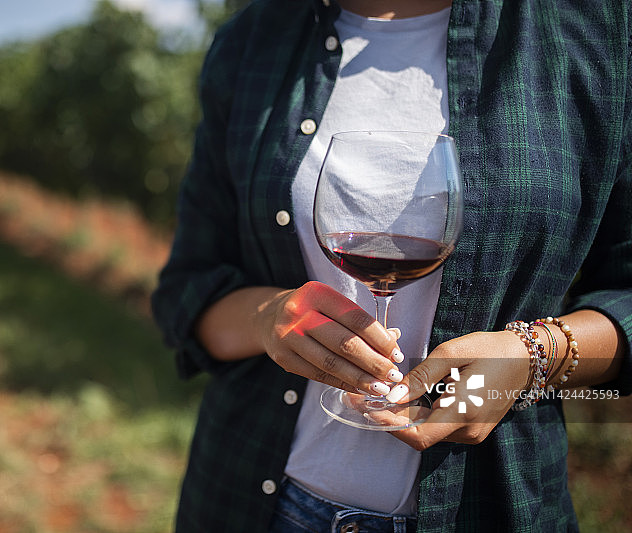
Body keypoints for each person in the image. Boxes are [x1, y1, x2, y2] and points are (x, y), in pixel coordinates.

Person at [151, 0, 632, 531]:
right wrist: (269, 317)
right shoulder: (253, 38)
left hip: (486, 511)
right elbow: (188, 288)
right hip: (249, 503)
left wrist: (535, 355)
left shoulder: (600, 33)